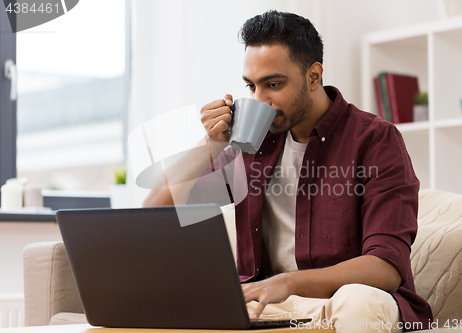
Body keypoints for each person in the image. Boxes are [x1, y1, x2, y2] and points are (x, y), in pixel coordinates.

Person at [144, 10, 433, 332]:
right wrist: (211, 143)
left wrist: (288, 282)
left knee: (359, 301)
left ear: (313, 76)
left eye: (274, 84)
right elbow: (156, 212)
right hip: (267, 301)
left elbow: (386, 266)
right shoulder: (251, 144)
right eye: (251, 86)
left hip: (339, 301)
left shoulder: (374, 139)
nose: (260, 100)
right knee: (166, 298)